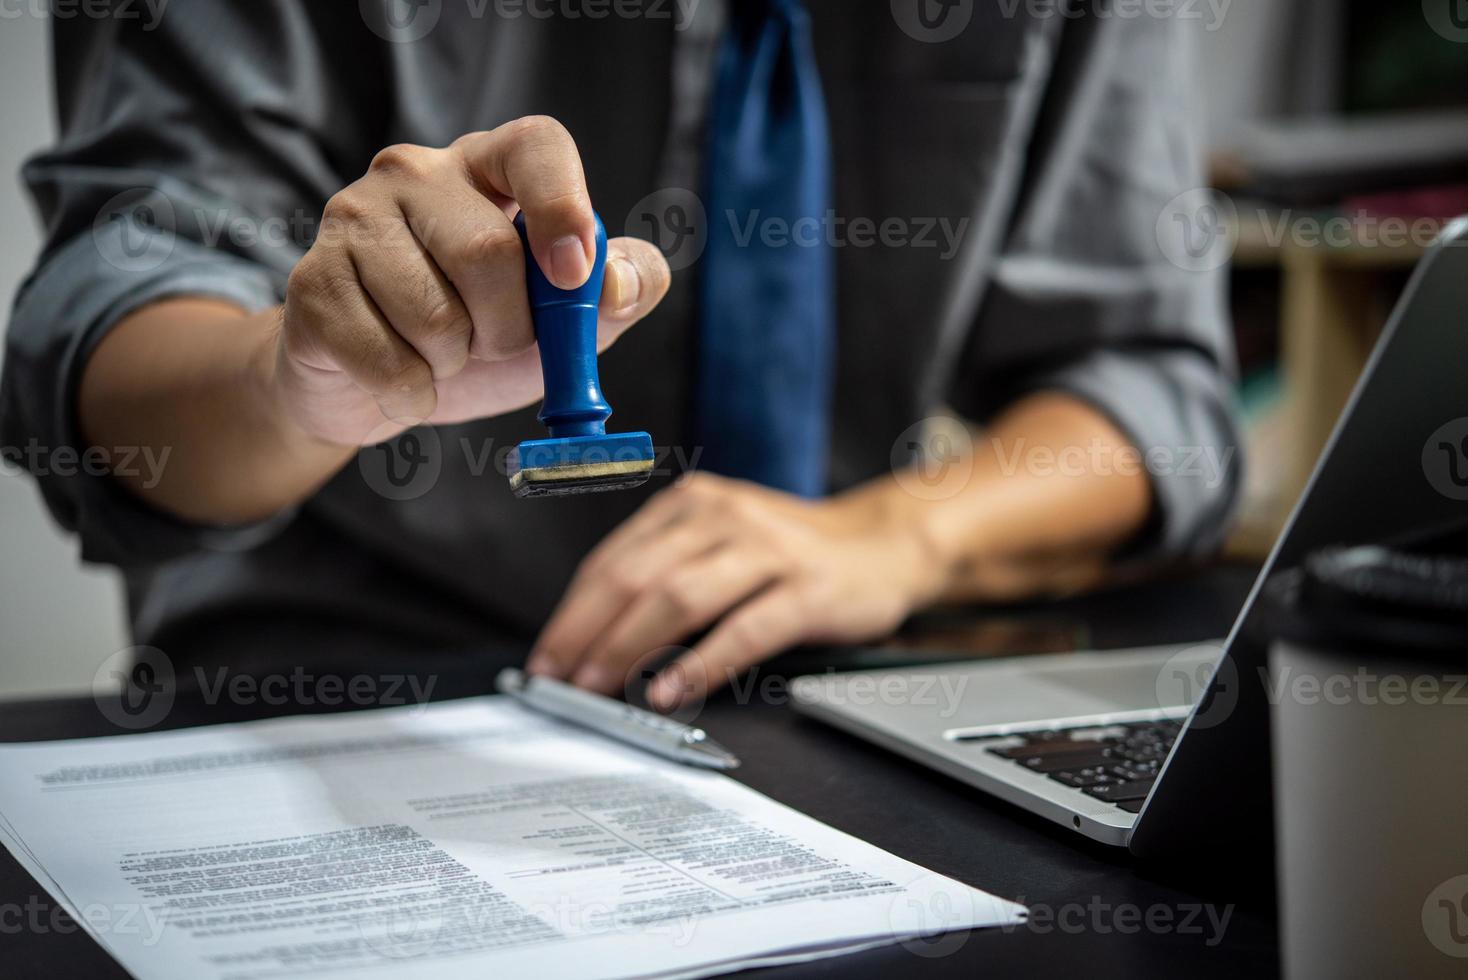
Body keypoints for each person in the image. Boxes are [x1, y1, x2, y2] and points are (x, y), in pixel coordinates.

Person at [1, 1, 1240, 711]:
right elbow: (108, 341)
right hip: (355, 696)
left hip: (830, 697)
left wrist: (899, 534)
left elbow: (1149, 382)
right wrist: (299, 383)